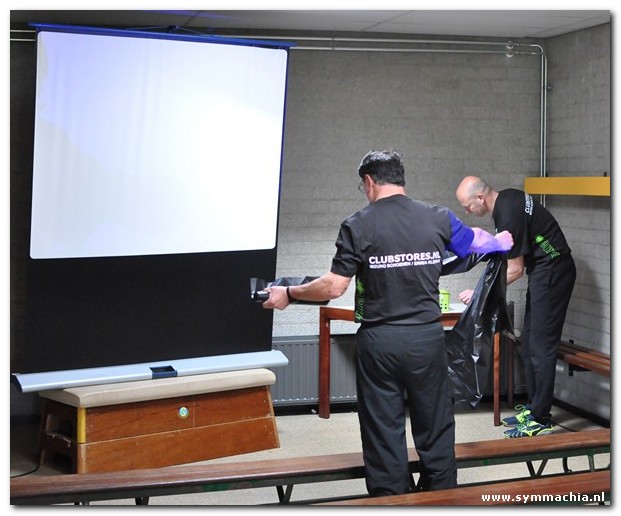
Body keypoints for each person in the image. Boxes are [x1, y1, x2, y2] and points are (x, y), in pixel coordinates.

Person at [263, 150, 513, 496]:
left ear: (369, 181)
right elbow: (473, 244)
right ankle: (441, 497)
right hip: (427, 339)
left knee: (383, 429)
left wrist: (289, 293)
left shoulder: (357, 224)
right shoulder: (437, 216)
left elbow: (333, 287)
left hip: (380, 341)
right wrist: (499, 242)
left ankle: (391, 500)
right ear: (400, 179)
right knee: (436, 425)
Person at [455, 176, 576, 439]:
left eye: (467, 206)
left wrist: (477, 293)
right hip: (543, 271)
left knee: (541, 347)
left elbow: (515, 269)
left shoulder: (507, 214)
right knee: (529, 343)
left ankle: (541, 419)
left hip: (554, 271)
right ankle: (534, 408)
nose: (467, 212)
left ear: (480, 198)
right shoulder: (507, 199)